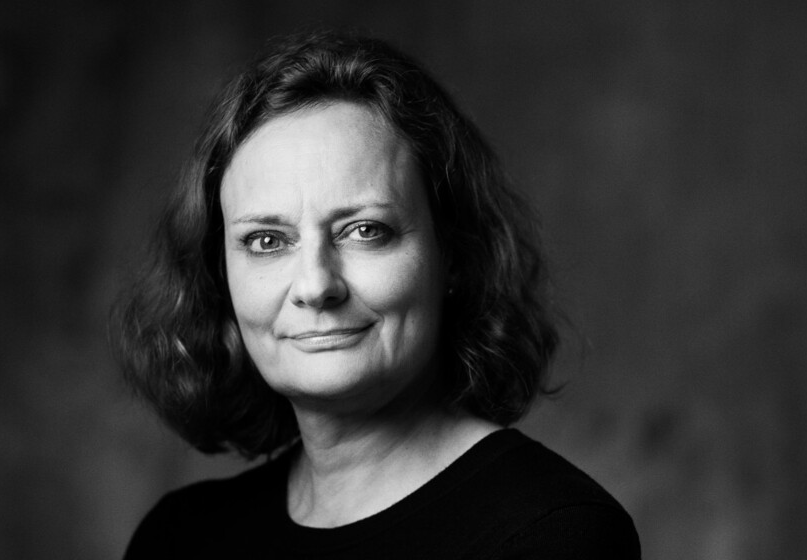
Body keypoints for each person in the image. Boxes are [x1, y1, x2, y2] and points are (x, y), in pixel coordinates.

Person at [114, 30, 640, 559]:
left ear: (452, 253)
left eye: (365, 231)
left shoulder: (553, 534)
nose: (316, 286)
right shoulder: (177, 538)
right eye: (267, 241)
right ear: (219, 273)